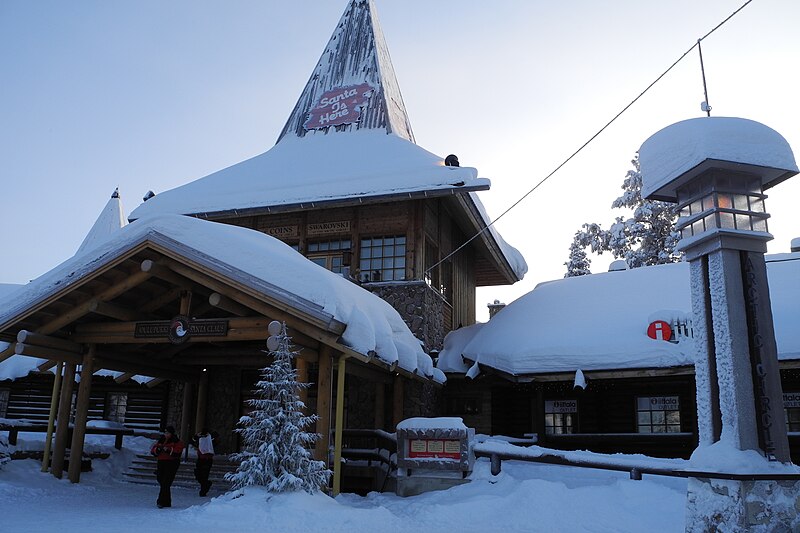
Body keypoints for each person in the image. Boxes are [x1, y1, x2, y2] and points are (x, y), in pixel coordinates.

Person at [150, 425, 185, 508]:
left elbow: (177, 452)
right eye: (165, 433)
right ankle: (167, 501)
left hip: (172, 463)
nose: (166, 434)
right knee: (161, 480)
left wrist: (168, 450)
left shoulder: (176, 441)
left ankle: (161, 501)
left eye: (168, 433)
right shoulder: (161, 440)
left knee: (166, 482)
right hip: (161, 462)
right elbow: (153, 450)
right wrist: (157, 450)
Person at [190, 428, 217, 496]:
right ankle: (206, 485)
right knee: (199, 474)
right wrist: (196, 437)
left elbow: (216, 442)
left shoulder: (211, 438)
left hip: (207, 459)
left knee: (204, 475)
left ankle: (203, 491)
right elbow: (193, 442)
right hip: (201, 458)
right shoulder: (200, 439)